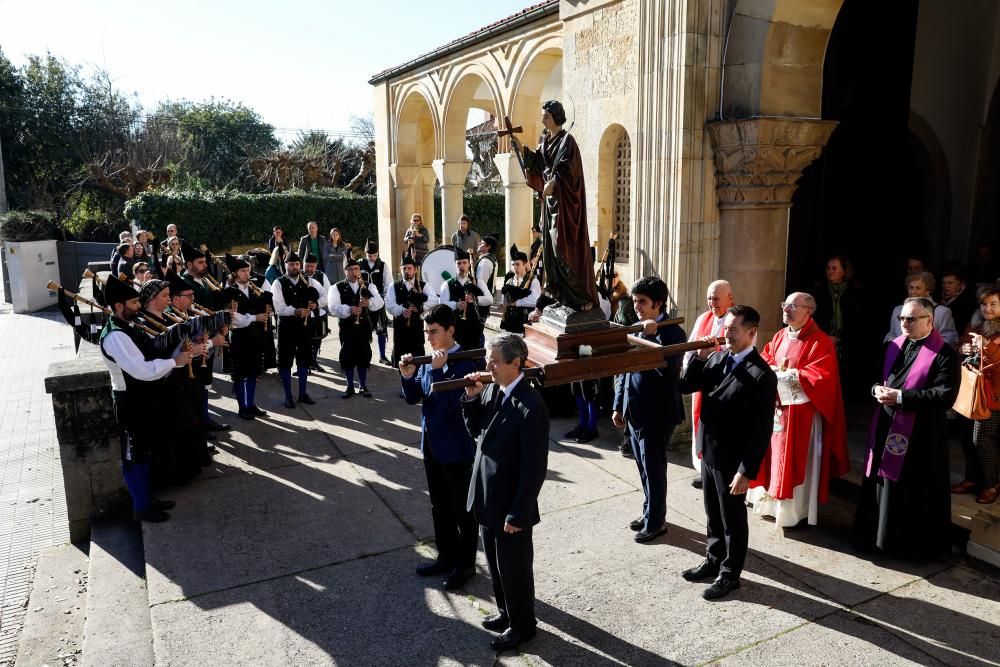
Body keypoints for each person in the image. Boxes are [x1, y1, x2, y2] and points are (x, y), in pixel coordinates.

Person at [679, 305, 777, 600]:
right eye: (726, 328)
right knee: (712, 513)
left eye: (733, 330)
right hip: (709, 450)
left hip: (733, 459)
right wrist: (699, 358)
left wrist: (747, 470)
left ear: (751, 332)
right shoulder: (718, 358)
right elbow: (686, 385)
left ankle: (730, 574)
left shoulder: (762, 375)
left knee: (733, 518)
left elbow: (761, 430)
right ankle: (713, 559)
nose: (727, 334)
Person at [460, 333, 549, 652]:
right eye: (488, 359)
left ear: (516, 363)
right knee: (496, 565)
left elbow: (534, 467)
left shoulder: (530, 404)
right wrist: (471, 399)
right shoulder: (493, 391)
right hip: (486, 493)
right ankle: (504, 611)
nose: (488, 366)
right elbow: (478, 435)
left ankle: (523, 626)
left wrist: (519, 511)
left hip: (511, 502)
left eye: (494, 361)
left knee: (514, 568)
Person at [854, 297, 958, 559]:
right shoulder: (893, 346)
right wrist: (876, 389)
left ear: (929, 321)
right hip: (886, 424)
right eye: (902, 318)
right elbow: (873, 378)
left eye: (911, 319)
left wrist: (902, 398)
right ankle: (874, 537)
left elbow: (945, 395)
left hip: (920, 436)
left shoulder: (945, 353)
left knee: (910, 491)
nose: (904, 323)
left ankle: (904, 545)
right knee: (880, 482)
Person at [747, 292, 850, 528]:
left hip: (801, 416)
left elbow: (822, 379)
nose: (786, 309)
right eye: (785, 304)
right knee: (771, 455)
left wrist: (790, 375)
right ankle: (769, 502)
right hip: (776, 409)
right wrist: (771, 370)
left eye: (793, 306)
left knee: (794, 459)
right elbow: (765, 358)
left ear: (808, 311)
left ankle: (792, 512)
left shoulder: (820, 341)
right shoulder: (781, 334)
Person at [399, 305, 480, 591]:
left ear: (450, 331)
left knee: (462, 510)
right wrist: (408, 375)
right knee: (439, 506)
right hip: (431, 445)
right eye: (426, 331)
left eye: (434, 331)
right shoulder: (429, 361)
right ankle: (446, 555)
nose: (429, 337)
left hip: (456, 447)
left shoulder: (465, 362)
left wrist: (434, 372)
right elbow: (414, 398)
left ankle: (466, 564)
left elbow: (448, 405)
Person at [99, 276, 189, 522]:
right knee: (134, 455)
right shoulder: (115, 335)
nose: (139, 306)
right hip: (130, 402)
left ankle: (147, 498)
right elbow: (140, 370)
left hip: (143, 399)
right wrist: (174, 361)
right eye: (134, 302)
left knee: (144, 451)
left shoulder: (128, 325)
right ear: (119, 306)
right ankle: (140, 506)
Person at [611, 277, 687, 543]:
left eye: (642, 302)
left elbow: (664, 373)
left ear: (658, 303)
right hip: (633, 410)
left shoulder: (673, 333)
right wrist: (618, 404)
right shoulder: (636, 326)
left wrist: (651, 336)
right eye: (634, 301)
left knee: (654, 469)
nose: (637, 306)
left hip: (657, 414)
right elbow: (624, 369)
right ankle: (649, 511)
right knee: (643, 467)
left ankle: (656, 522)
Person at [511, 100, 597, 311]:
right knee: (549, 251)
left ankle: (580, 297)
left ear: (556, 117)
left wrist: (556, 182)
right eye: (543, 116)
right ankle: (562, 294)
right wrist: (523, 150)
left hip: (566, 207)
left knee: (562, 249)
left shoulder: (568, 142)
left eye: (546, 116)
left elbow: (571, 171)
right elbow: (540, 164)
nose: (543, 119)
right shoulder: (545, 140)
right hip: (550, 206)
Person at [684, 280, 735, 487]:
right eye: (709, 298)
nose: (711, 303)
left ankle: (720, 472)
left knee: (719, 431)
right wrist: (691, 369)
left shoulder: (738, 320)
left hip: (724, 386)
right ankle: (704, 470)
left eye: (716, 298)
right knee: (701, 427)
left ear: (730, 298)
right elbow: (690, 348)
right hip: (702, 384)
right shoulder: (703, 318)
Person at [955, 287, 1000, 504]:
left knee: (982, 440)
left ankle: (991, 484)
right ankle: (972, 479)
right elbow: (961, 344)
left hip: (994, 395)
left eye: (993, 304)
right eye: (984, 304)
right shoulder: (975, 324)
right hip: (971, 390)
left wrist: (988, 346)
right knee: (966, 437)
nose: (987, 308)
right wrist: (963, 349)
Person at [271, 251, 324, 408]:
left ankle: (302, 394)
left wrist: (316, 304)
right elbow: (278, 307)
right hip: (286, 327)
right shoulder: (278, 283)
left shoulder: (309, 281)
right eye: (291, 264)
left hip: (304, 327)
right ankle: (288, 396)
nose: (294, 267)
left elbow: (324, 295)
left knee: (303, 360)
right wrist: (295, 311)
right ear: (285, 265)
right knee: (285, 362)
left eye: (296, 264)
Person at [329, 254, 384, 399]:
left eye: (357, 269)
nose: (354, 272)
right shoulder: (337, 287)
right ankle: (349, 386)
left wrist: (369, 303)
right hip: (347, 327)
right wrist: (349, 309)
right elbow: (333, 307)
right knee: (347, 356)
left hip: (364, 327)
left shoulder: (368, 285)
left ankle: (363, 385)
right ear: (345, 271)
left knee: (363, 355)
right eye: (351, 269)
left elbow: (380, 302)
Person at [224, 254, 271, 420]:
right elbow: (234, 319)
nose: (247, 273)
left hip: (255, 337)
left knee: (253, 372)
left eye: (248, 270)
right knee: (239, 373)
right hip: (239, 337)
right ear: (235, 273)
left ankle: (251, 404)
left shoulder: (254, 288)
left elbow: (267, 302)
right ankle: (242, 407)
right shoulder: (230, 291)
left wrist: (267, 309)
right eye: (243, 271)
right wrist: (255, 317)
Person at [813, 255, 864, 395]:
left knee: (845, 379)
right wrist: (826, 336)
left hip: (848, 340)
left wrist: (841, 338)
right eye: (828, 268)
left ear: (844, 271)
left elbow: (858, 319)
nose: (830, 271)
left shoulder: (856, 291)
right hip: (823, 339)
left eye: (835, 268)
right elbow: (812, 317)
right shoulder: (818, 290)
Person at [385, 253, 437, 368]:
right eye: (404, 268)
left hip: (416, 327)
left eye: (409, 268)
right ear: (400, 269)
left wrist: (420, 308)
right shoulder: (394, 286)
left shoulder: (424, 286)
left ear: (415, 270)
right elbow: (389, 304)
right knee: (401, 356)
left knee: (418, 354)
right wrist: (401, 310)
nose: (406, 271)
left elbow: (434, 300)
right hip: (400, 328)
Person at [439, 247, 493, 352]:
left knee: (474, 357)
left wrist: (475, 299)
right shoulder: (447, 284)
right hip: (456, 328)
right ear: (455, 265)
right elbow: (442, 304)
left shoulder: (478, 282)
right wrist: (455, 305)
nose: (461, 266)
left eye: (464, 263)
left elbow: (489, 299)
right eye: (459, 263)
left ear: (469, 264)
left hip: (474, 328)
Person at [884, 272, 959, 347]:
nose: (913, 292)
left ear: (928, 291)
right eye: (911, 287)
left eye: (918, 288)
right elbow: (891, 335)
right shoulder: (898, 310)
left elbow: (950, 340)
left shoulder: (942, 312)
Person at [359, 241, 392, 365]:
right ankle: (364, 355)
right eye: (369, 256)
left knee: (381, 328)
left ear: (377, 254)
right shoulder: (359, 264)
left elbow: (388, 283)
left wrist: (384, 296)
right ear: (365, 253)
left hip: (378, 300)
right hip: (363, 302)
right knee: (363, 329)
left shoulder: (383, 265)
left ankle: (382, 356)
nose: (372, 258)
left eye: (374, 255)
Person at [498, 245, 540, 335]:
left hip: (525, 320)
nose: (515, 267)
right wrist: (503, 304)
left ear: (525, 264)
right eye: (513, 265)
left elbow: (535, 300)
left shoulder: (533, 280)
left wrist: (516, 303)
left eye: (518, 264)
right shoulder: (509, 281)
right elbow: (504, 300)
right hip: (509, 320)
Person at [303, 254, 331, 372]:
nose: (309, 269)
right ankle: (304, 365)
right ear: (303, 264)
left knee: (317, 338)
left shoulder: (321, 276)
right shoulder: (297, 275)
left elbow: (328, 294)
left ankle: (314, 362)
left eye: (312, 266)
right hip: (302, 315)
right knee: (303, 341)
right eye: (307, 266)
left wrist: (317, 304)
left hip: (318, 314)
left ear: (316, 266)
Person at [941, 265, 978, 335]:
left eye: (950, 283)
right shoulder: (944, 296)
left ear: (962, 284)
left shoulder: (965, 302)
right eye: (944, 283)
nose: (946, 286)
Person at [475, 235, 499, 323]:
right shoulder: (491, 259)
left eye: (482, 243)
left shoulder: (485, 261)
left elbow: (481, 284)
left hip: (481, 301)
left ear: (488, 247)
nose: (479, 244)